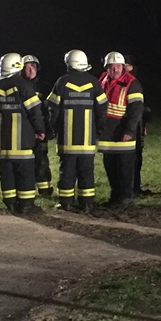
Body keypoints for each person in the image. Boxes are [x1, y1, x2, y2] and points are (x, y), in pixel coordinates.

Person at [0, 52, 46, 214]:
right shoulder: (24, 86)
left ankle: (10, 203)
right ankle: (26, 205)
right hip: (23, 142)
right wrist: (40, 130)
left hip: (3, 143)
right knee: (25, 174)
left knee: (7, 173)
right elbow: (35, 112)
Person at [47, 50, 108, 213]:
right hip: (88, 139)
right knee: (86, 171)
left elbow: (53, 109)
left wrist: (53, 128)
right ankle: (87, 203)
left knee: (67, 171)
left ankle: (66, 202)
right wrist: (98, 130)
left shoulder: (62, 82)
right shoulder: (94, 82)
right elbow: (102, 109)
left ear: (69, 63)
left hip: (67, 139)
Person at [98, 52, 144, 208]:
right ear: (106, 68)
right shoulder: (102, 80)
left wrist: (129, 131)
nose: (115, 69)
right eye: (111, 67)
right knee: (110, 167)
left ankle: (126, 198)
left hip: (123, 134)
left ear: (123, 67)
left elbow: (136, 110)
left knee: (124, 168)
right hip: (107, 134)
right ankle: (115, 196)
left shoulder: (132, 83)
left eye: (117, 66)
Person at [21, 55, 54, 196]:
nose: (30, 70)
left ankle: (44, 188)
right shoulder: (18, 86)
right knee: (24, 160)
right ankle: (26, 187)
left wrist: (49, 129)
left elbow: (49, 110)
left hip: (41, 129)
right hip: (23, 128)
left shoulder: (44, 87)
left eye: (33, 67)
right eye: (27, 67)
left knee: (41, 159)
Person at [123, 54, 150, 196]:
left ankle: (135, 187)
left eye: (126, 65)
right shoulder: (124, 82)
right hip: (129, 124)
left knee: (136, 156)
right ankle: (132, 187)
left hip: (136, 124)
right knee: (131, 157)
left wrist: (144, 125)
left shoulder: (134, 83)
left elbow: (143, 107)